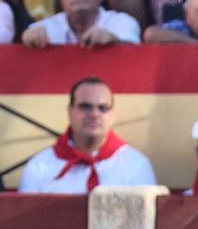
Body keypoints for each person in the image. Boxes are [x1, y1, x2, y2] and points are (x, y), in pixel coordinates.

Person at [18, 74, 155, 190]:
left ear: (112, 114)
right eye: (85, 107)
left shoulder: (136, 165)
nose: (94, 114)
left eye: (103, 108)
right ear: (70, 111)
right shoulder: (38, 167)